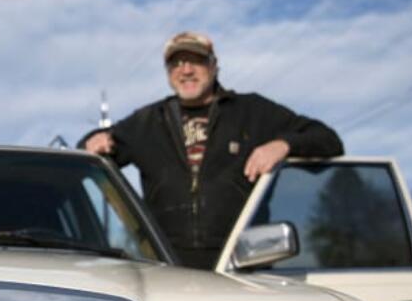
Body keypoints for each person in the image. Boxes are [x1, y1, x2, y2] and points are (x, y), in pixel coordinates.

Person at [81, 31, 343, 270]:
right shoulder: (147, 121)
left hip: (244, 263)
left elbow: (328, 139)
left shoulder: (252, 111)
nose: (185, 70)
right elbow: (86, 154)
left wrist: (283, 145)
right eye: (176, 63)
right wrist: (96, 140)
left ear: (214, 66)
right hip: (166, 267)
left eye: (195, 60)